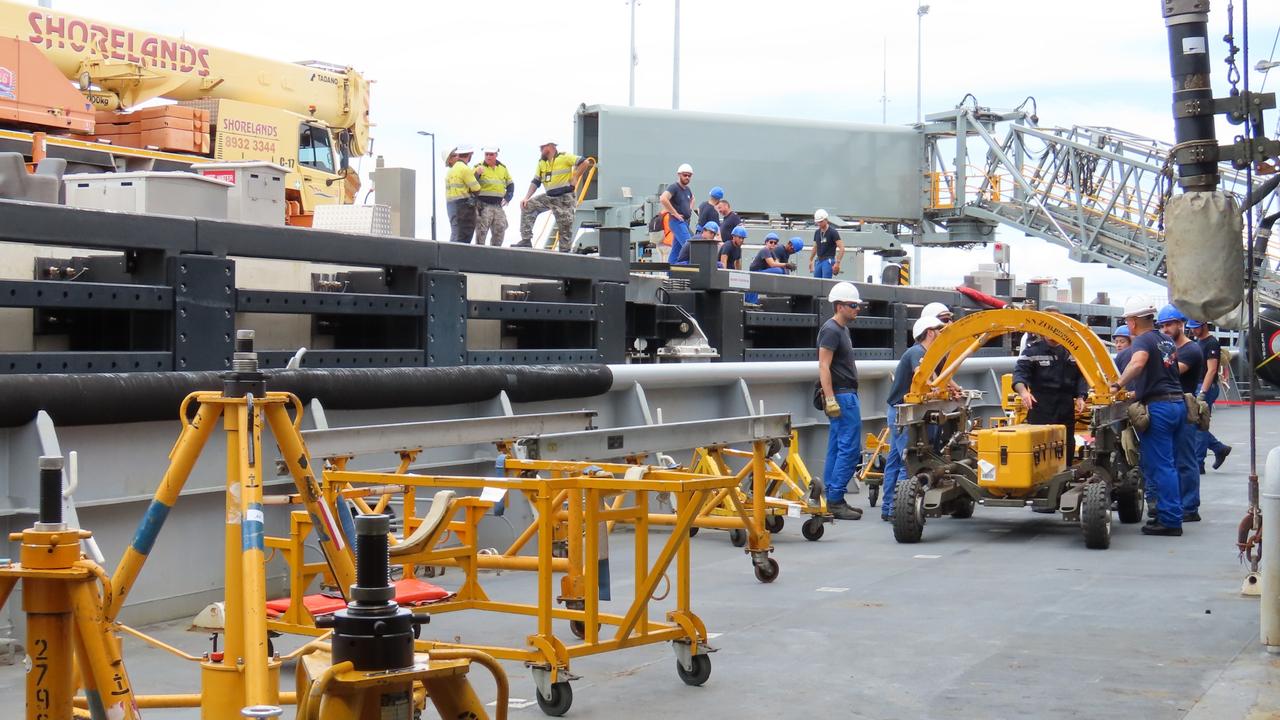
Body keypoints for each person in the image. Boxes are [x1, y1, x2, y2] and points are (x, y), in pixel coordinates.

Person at [1110, 297, 1185, 537]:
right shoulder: (1166, 340)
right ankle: (1169, 512)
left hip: (1159, 408)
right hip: (1178, 404)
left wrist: (1117, 385)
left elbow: (1139, 363)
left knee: (1161, 465)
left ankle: (1171, 520)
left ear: (1132, 322)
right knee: (1170, 463)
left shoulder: (1142, 340)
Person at [881, 315, 945, 521]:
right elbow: (923, 376)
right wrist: (940, 390)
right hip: (904, 414)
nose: (941, 333)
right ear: (929, 332)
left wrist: (951, 388)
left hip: (902, 412)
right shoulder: (917, 352)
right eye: (938, 330)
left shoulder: (925, 354)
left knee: (894, 461)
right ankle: (896, 510)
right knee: (907, 462)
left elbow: (935, 378)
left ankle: (888, 507)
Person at [1012, 308, 1087, 466]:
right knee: (1040, 444)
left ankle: (1065, 475)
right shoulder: (1032, 351)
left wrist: (1081, 396)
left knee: (1066, 442)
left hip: (1065, 405)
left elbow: (1082, 374)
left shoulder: (1072, 351)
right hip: (1041, 406)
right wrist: (1024, 392)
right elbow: (1019, 374)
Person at [818, 282, 866, 521]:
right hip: (842, 396)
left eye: (857, 305)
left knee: (837, 447)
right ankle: (835, 499)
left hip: (845, 395)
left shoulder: (842, 330)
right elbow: (823, 365)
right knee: (849, 448)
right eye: (853, 305)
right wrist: (830, 398)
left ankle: (832, 496)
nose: (857, 308)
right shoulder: (831, 330)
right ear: (839, 306)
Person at [1157, 304, 1204, 523]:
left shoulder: (1191, 350)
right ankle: (1176, 502)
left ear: (1180, 324)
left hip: (1184, 407)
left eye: (1169, 325)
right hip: (1170, 407)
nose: (1165, 329)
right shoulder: (1168, 348)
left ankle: (1189, 507)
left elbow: (1173, 372)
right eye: (1163, 326)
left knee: (1185, 459)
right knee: (1170, 459)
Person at [518, 141, 594, 251]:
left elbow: (585, 162)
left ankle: (564, 252)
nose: (540, 149)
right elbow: (536, 181)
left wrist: (576, 177)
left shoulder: (564, 157)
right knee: (527, 206)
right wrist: (526, 198)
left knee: (565, 226)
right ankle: (526, 240)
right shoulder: (542, 163)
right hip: (549, 196)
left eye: (542, 147)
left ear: (550, 146)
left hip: (564, 197)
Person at [1189, 319, 1232, 472]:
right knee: (1195, 424)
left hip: (1205, 386)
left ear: (1204, 326)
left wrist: (1202, 393)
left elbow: (1212, 370)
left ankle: (1198, 463)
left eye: (1195, 328)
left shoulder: (1211, 343)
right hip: (1198, 384)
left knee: (1199, 425)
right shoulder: (1197, 342)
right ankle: (1219, 448)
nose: (1193, 330)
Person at [473, 147, 514, 246]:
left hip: (497, 205)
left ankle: (495, 252)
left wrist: (508, 197)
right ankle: (479, 254)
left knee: (500, 228)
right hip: (483, 205)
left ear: (496, 155)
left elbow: (510, 184)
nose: (488, 156)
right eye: (486, 154)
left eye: (491, 154)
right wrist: (476, 174)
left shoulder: (503, 168)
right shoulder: (478, 167)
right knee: (481, 232)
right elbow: (471, 183)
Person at [444, 145, 481, 243]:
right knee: (464, 235)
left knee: (456, 233)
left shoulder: (451, 171)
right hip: (463, 208)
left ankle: (449, 256)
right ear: (470, 154)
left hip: (451, 206)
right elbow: (476, 189)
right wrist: (477, 174)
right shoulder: (464, 169)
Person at [659, 163, 696, 260]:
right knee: (689, 245)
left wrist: (689, 210)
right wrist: (674, 213)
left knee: (676, 250)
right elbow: (663, 198)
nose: (687, 177)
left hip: (684, 222)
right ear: (679, 174)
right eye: (685, 175)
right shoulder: (674, 187)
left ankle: (670, 272)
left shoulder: (687, 189)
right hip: (677, 222)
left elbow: (693, 198)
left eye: (689, 175)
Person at [809, 209, 844, 279]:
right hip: (818, 260)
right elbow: (815, 247)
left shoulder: (833, 232)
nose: (819, 224)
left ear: (826, 220)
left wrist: (837, 263)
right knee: (816, 282)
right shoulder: (817, 232)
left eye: (821, 222)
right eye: (818, 222)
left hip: (828, 260)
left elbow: (842, 248)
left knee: (826, 282)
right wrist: (810, 260)